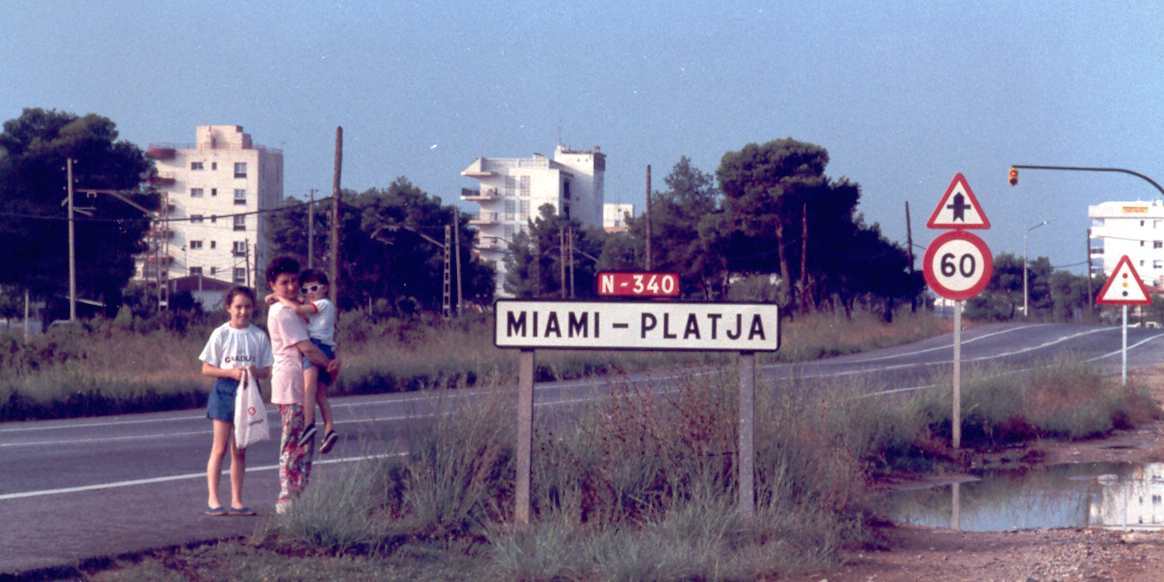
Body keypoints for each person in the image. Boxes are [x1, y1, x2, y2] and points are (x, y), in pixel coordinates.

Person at [265, 256, 340, 514]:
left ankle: (299, 499)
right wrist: (329, 363)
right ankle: (287, 500)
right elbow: (306, 348)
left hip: (303, 383)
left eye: (294, 281)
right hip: (291, 385)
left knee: (304, 445)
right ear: (272, 285)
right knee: (293, 444)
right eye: (283, 283)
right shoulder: (281, 311)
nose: (290, 287)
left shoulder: (297, 307)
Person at [198, 286, 272, 517]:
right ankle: (213, 499)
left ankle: (237, 500)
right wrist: (229, 373)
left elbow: (268, 371)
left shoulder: (258, 335)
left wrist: (253, 370)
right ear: (229, 308)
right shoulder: (221, 333)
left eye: (247, 306)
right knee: (219, 448)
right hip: (224, 391)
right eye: (238, 307)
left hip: (249, 392)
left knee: (239, 450)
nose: (242, 311)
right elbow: (206, 368)